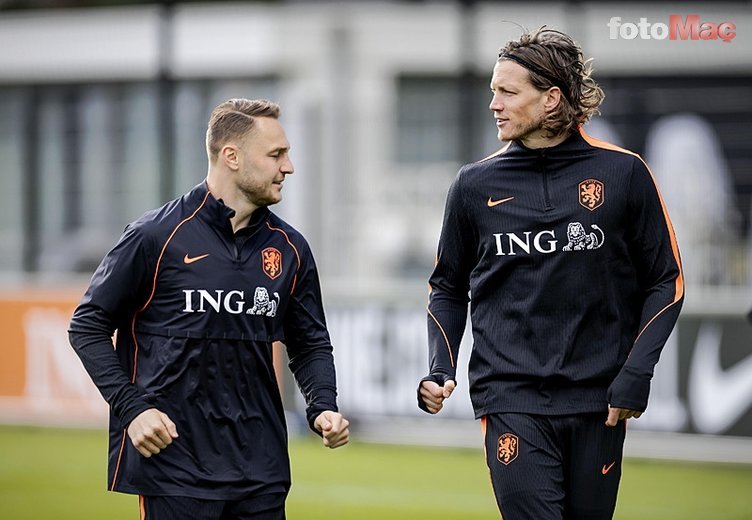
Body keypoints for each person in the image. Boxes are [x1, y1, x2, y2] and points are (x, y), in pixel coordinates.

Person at [418, 27, 683, 519]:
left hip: (598, 400)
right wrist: (440, 367)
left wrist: (636, 373)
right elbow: (447, 287)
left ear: (551, 99)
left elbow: (666, 280)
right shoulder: (473, 185)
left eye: (507, 92)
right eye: (493, 91)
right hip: (509, 396)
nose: (494, 104)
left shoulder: (624, 173)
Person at [69, 98, 349, 519]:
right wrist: (133, 409)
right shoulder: (155, 236)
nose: (288, 167)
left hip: (261, 470)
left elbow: (309, 343)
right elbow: (87, 326)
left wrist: (322, 404)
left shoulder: (290, 249)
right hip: (174, 466)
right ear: (231, 157)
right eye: (276, 155)